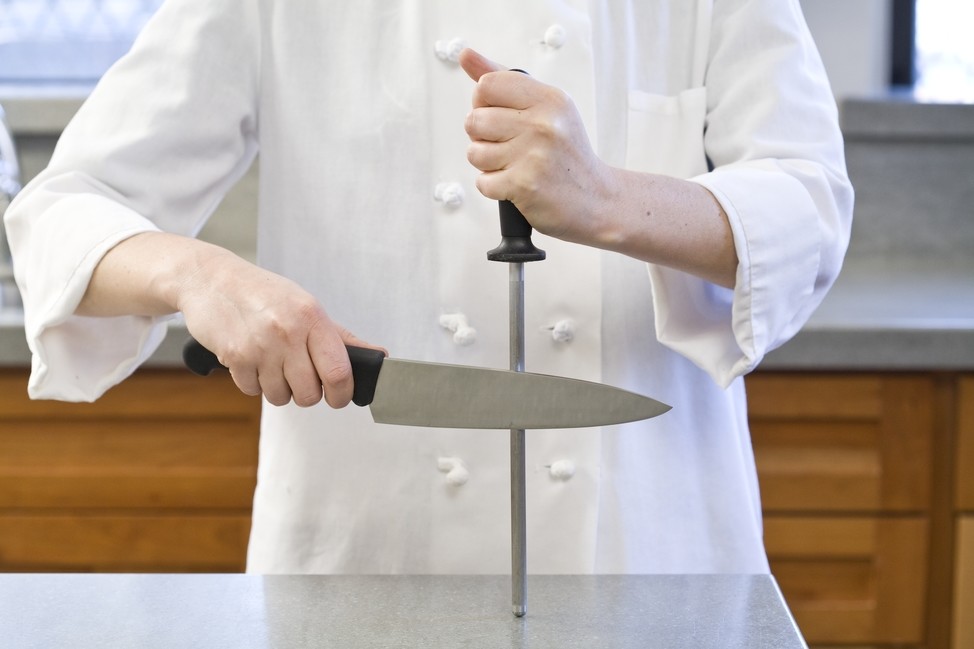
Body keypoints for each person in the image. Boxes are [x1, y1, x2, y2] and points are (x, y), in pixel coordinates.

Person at [4, 0, 852, 574]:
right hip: (362, 557)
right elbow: (63, 211)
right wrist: (198, 275)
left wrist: (607, 199)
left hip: (653, 554)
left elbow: (811, 211)